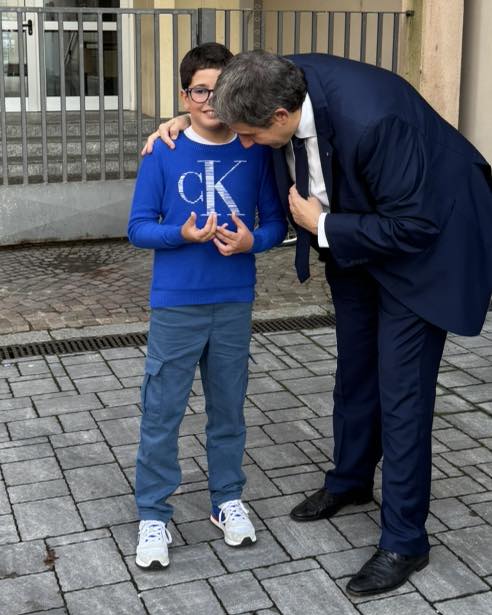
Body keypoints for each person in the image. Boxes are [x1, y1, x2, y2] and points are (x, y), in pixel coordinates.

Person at [143, 49, 492, 594]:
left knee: (400, 395)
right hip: (353, 242)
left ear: (281, 116)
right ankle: (351, 481)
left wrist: (324, 223)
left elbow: (416, 225)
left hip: (421, 247)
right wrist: (181, 122)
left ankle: (405, 540)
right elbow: (214, 82)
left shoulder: (376, 119)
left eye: (253, 137)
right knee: (354, 376)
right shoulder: (271, 79)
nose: (248, 146)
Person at [128, 44, 286, 570]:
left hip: (233, 300)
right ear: (185, 96)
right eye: (201, 90)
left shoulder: (256, 149)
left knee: (229, 410)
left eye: (220, 89)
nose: (211, 100)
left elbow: (273, 224)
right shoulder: (163, 151)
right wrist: (181, 233)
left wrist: (252, 244)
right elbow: (138, 227)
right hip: (176, 303)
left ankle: (226, 500)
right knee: (162, 412)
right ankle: (154, 512)